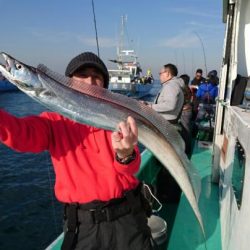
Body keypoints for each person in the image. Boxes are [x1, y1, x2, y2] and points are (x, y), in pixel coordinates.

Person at [0, 52, 154, 250]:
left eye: (97, 76)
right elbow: (20, 134)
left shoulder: (119, 119)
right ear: (68, 82)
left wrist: (125, 154)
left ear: (105, 87)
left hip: (129, 220)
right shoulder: (52, 122)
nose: (90, 80)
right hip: (82, 227)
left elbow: (130, 170)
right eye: (82, 74)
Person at [179, 74, 193, 158]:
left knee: (185, 131)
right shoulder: (189, 89)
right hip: (188, 111)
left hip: (184, 112)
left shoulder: (183, 90)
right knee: (186, 130)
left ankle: (187, 150)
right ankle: (187, 149)